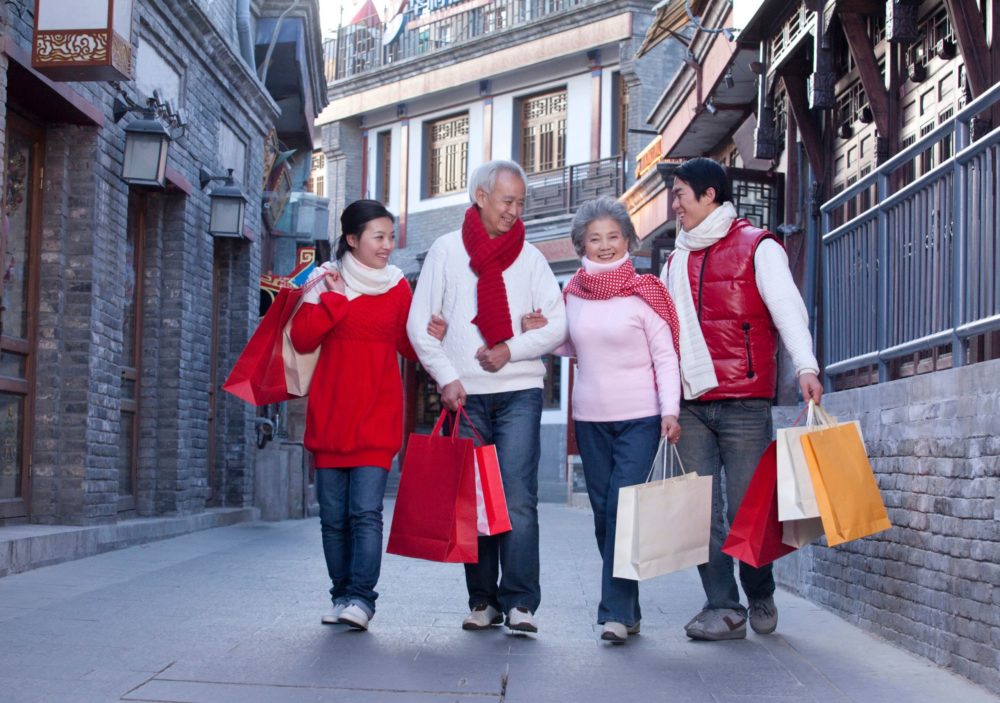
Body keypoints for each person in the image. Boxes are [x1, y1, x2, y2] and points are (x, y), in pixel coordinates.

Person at [660, 158, 823, 641]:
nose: (675, 204)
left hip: (744, 401)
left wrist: (806, 365)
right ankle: (722, 606)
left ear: (710, 195)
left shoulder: (758, 247)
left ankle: (760, 590)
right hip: (691, 402)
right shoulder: (674, 260)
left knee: (749, 508)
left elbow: (789, 311)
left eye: (681, 193)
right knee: (700, 512)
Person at [406, 159, 566, 635]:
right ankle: (483, 600)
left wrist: (510, 349)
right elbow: (420, 325)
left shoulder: (532, 258)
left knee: (517, 498)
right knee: (475, 500)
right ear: (480, 197)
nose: (515, 211)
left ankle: (520, 603)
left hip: (519, 391)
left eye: (521, 202)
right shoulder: (446, 250)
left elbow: (558, 324)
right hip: (466, 397)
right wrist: (446, 376)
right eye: (507, 201)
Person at [550, 196, 682, 644]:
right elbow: (568, 347)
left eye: (612, 237)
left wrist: (670, 411)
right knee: (604, 514)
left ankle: (613, 612)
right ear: (581, 244)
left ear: (627, 238)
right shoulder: (572, 293)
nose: (604, 245)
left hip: (641, 419)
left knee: (625, 510)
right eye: (594, 238)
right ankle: (630, 607)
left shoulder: (647, 291)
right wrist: (540, 328)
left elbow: (666, 358)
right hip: (590, 419)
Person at [291, 200, 417, 632]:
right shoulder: (324, 280)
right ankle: (341, 594)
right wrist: (333, 301)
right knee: (333, 518)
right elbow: (304, 339)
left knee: (365, 512)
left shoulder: (399, 286)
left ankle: (363, 599)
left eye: (389, 237)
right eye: (378, 237)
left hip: (378, 415)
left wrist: (431, 333)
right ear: (352, 239)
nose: (387, 246)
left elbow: (408, 345)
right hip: (330, 415)